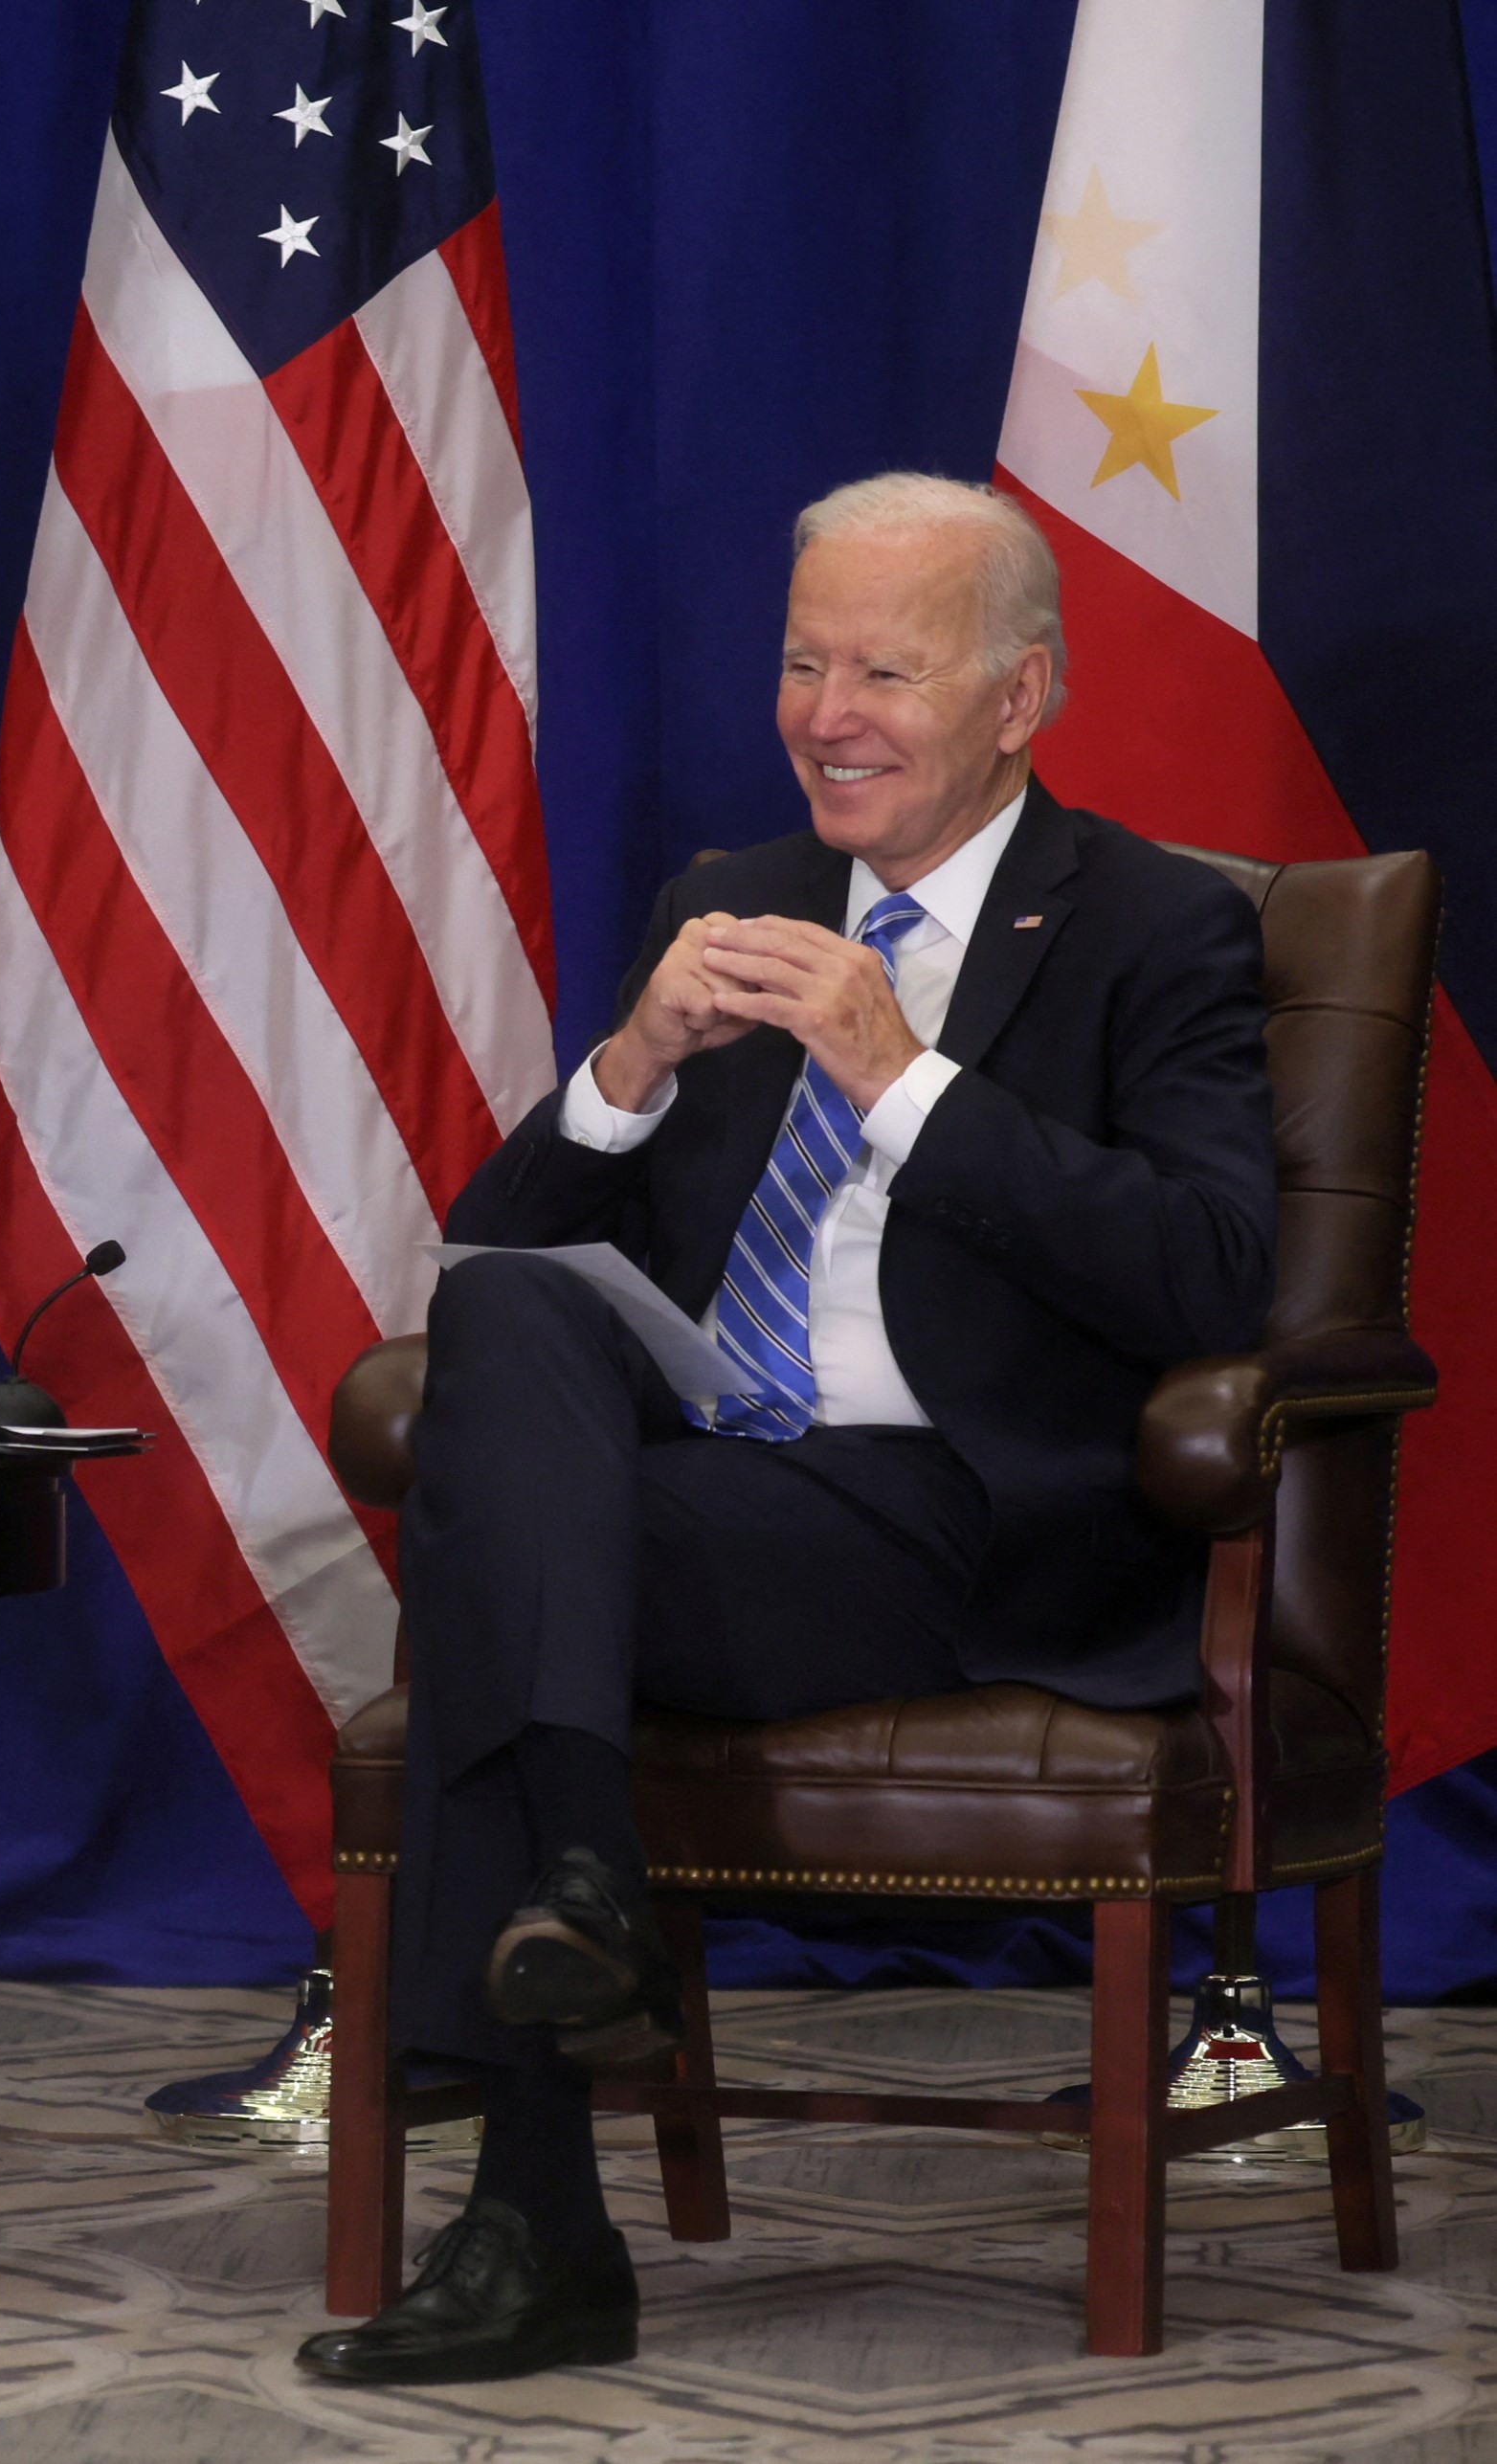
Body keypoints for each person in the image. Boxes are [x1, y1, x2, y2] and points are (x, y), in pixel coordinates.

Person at [292, 474, 1275, 2386]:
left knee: (501, 1566)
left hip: (952, 1517)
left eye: (884, 670)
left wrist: (904, 1081)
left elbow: (1211, 1274)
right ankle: (584, 1898)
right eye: (800, 661)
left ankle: (537, 2222)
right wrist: (629, 1064)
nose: (827, 710)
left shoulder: (1154, 931)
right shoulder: (719, 904)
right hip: (702, 1483)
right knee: (508, 1305)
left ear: (1020, 699)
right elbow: (500, 1263)